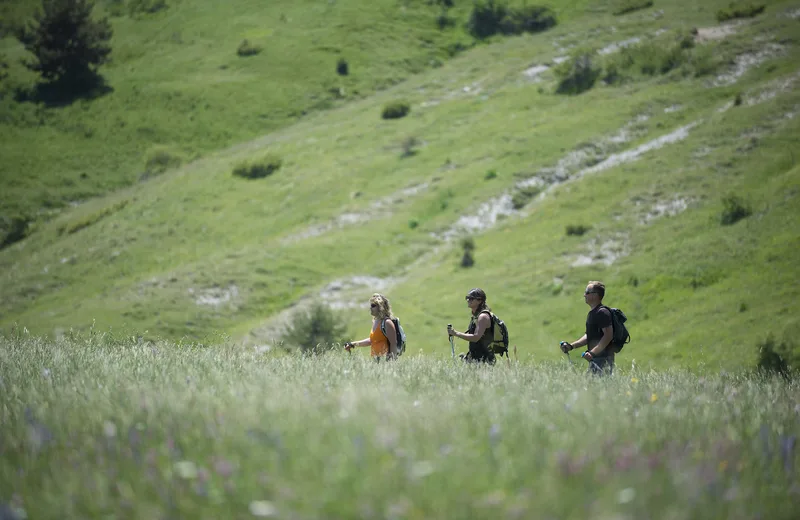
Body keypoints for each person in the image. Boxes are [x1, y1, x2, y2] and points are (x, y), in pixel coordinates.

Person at [560, 280, 614, 375]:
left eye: (587, 292)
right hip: (596, 359)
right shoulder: (592, 313)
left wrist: (592, 352)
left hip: (603, 359)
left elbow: (608, 336)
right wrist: (571, 346)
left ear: (595, 295)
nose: (584, 295)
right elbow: (589, 336)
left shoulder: (603, 313)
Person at [447, 288, 496, 364]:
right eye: (467, 298)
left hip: (484, 360)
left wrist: (456, 333)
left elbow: (476, 337)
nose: (468, 300)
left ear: (480, 301)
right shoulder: (476, 316)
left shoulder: (483, 317)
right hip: (476, 357)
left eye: (471, 298)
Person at [344, 293, 398, 361]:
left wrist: (392, 363)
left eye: (373, 305)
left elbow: (393, 344)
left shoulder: (387, 322)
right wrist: (353, 344)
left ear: (380, 307)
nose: (370, 308)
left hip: (385, 360)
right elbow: (372, 340)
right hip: (375, 359)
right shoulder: (375, 321)